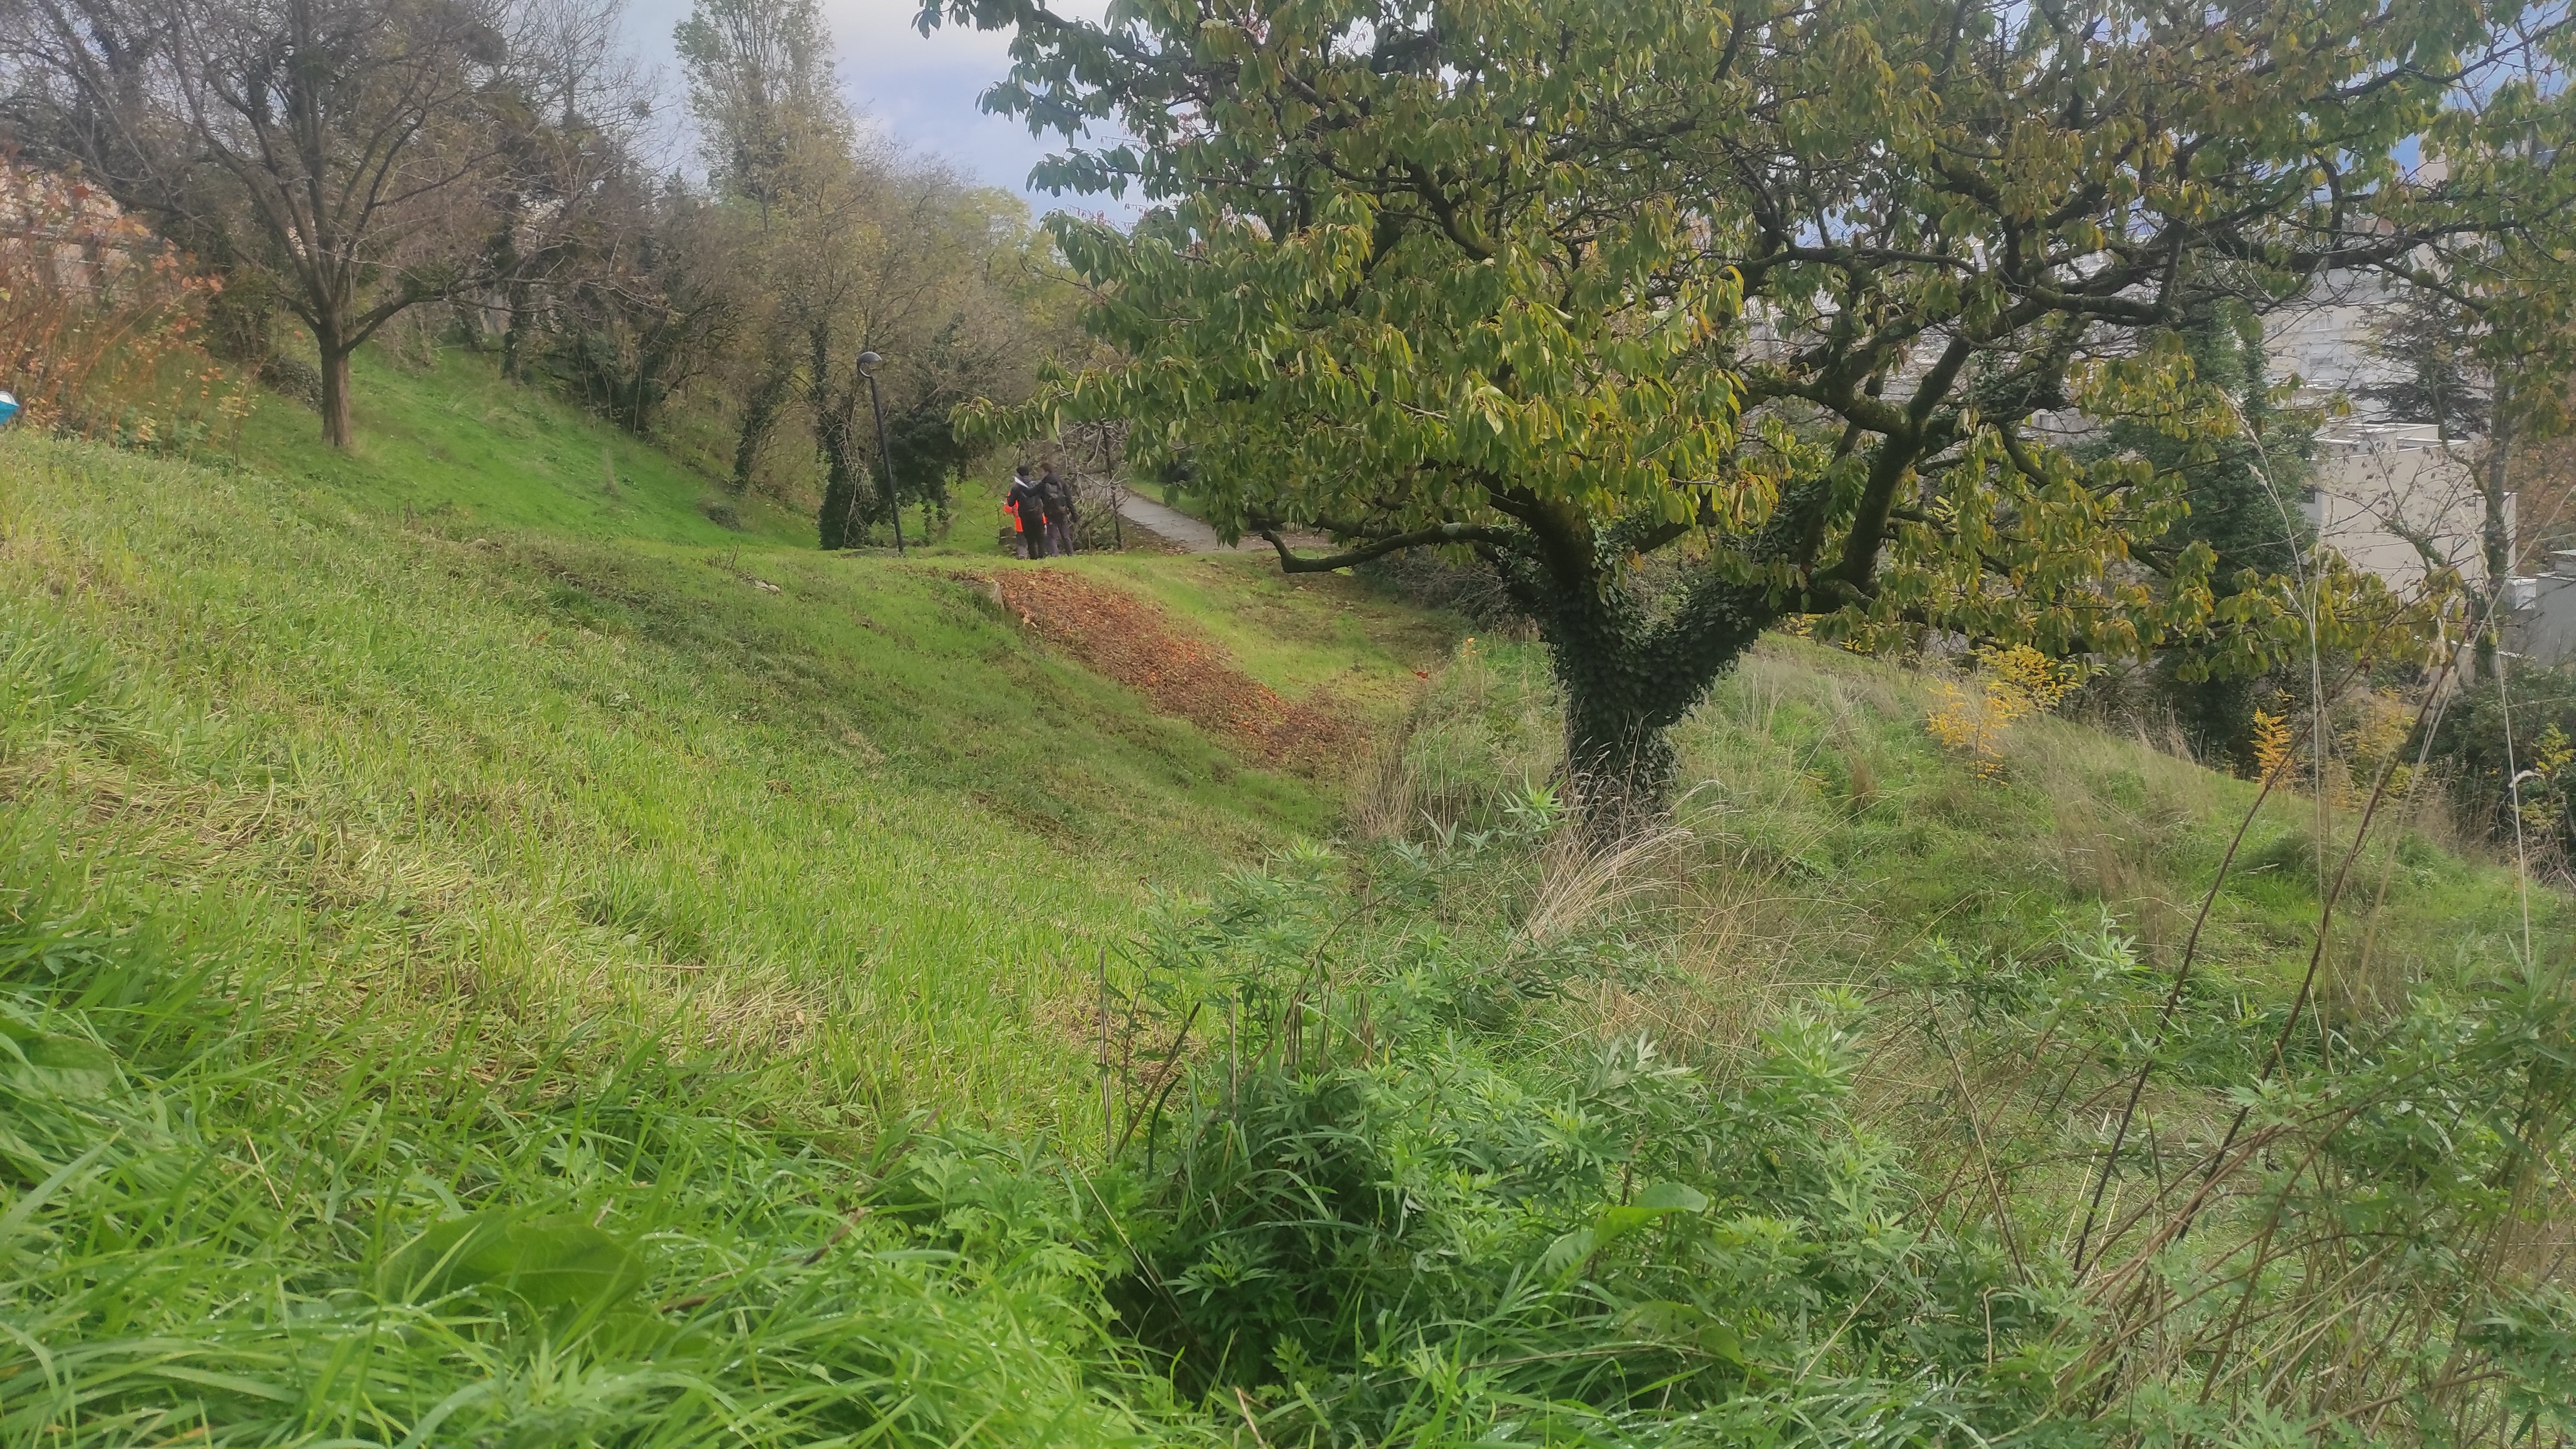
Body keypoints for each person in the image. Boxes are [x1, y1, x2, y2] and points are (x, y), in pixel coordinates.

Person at [1007, 464, 1050, 559]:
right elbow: (1045, 498)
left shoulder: (1017, 488)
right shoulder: (1036, 485)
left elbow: (1010, 503)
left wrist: (1009, 497)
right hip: (1038, 514)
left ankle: (1034, 558)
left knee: (1030, 539)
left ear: (1019, 475)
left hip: (1025, 516)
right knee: (1040, 538)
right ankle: (1042, 557)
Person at [1039, 462, 1079, 556]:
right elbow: (1069, 499)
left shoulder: (1043, 484)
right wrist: (1074, 513)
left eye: (1041, 471)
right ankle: (1070, 554)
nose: (1040, 474)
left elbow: (1033, 494)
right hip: (1062, 512)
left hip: (1050, 513)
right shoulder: (1061, 482)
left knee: (1052, 536)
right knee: (1065, 535)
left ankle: (1055, 555)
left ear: (1046, 472)